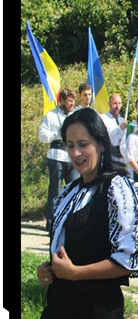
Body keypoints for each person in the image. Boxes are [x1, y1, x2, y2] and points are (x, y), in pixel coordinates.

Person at [24, 108, 138, 319]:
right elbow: (67, 250)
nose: (76, 152)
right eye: (70, 145)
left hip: (97, 316)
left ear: (101, 144)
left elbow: (129, 260)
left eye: (83, 144)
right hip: (60, 309)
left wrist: (75, 273)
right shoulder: (70, 191)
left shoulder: (119, 188)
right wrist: (52, 269)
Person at [38, 88, 80, 231]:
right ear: (61, 101)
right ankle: (51, 223)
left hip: (73, 157)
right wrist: (59, 133)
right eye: (69, 101)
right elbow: (42, 135)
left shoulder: (75, 115)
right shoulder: (51, 115)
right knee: (55, 190)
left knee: (74, 188)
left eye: (73, 101)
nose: (72, 103)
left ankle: (71, 222)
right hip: (57, 156)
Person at [100, 93, 128, 170]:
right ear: (109, 104)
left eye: (119, 103)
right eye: (115, 103)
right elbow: (106, 137)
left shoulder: (122, 120)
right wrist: (119, 129)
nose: (117, 106)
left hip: (122, 156)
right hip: (109, 154)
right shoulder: (103, 118)